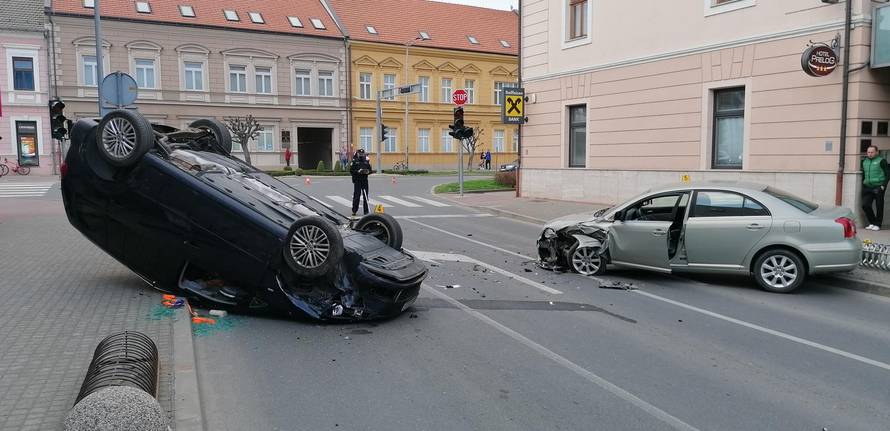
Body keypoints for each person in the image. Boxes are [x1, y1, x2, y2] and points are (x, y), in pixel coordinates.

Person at [861, 145, 890, 231]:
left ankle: (878, 224)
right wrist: (864, 183)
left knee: (879, 206)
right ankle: (872, 222)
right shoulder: (865, 161)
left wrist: (883, 185)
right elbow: (864, 174)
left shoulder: (882, 161)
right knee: (865, 205)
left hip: (878, 186)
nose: (870, 154)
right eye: (868, 152)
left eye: (872, 152)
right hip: (868, 187)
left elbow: (888, 174)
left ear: (877, 152)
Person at [350, 148, 372, 217]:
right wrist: (358, 171)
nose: (361, 155)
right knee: (357, 196)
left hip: (364, 180)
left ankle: (366, 211)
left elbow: (370, 170)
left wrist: (368, 172)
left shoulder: (366, 161)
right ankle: (354, 210)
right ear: (358, 154)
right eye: (360, 154)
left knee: (365, 196)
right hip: (357, 180)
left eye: (362, 154)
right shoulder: (354, 161)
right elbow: (351, 171)